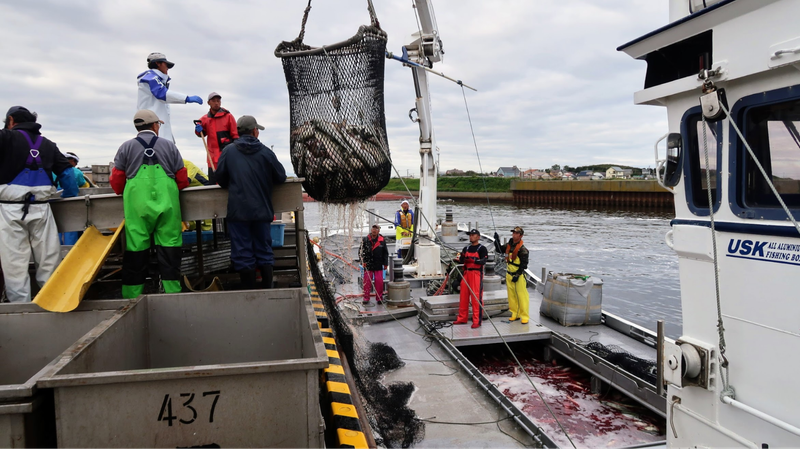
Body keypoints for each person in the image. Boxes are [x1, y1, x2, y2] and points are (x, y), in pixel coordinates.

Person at [0, 106, 77, 302]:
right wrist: (68, 196)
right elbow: (67, 174)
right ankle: (52, 303)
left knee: (15, 264)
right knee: (49, 260)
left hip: (9, 209)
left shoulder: (5, 137)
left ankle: (21, 309)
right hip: (43, 208)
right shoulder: (49, 145)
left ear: (11, 121)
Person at [110, 110, 189, 299]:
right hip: (168, 203)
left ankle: (131, 297)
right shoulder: (169, 146)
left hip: (137, 207)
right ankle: (172, 295)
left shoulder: (125, 147)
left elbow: (117, 181)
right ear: (155, 126)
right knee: (170, 248)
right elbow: (182, 178)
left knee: (136, 250)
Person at [215, 115, 287, 290]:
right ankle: (267, 290)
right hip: (262, 211)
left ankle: (248, 293)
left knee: (242, 253)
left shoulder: (228, 151)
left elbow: (221, 179)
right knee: (264, 250)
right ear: (255, 131)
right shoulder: (266, 152)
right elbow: (281, 177)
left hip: (238, 213)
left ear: (238, 133)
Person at [137, 52, 203, 143]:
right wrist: (186, 98)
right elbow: (162, 94)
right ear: (158, 63)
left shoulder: (157, 80)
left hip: (158, 125)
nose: (167, 68)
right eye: (166, 64)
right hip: (152, 125)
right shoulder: (150, 78)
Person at [194, 92, 238, 183]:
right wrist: (198, 130)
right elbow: (200, 134)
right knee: (213, 184)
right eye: (213, 101)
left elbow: (235, 136)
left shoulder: (228, 116)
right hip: (212, 158)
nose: (216, 103)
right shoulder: (204, 119)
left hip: (226, 157)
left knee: (229, 182)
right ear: (208, 103)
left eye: (218, 101)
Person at [453, 229, 489, 328]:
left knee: (476, 298)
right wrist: (459, 259)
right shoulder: (466, 248)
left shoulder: (482, 249)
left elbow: (483, 261)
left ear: (478, 237)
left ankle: (477, 320)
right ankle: (462, 318)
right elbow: (461, 259)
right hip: (466, 273)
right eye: (470, 235)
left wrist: (473, 260)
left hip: (476, 274)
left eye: (473, 235)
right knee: (463, 297)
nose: (471, 237)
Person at [501, 226, 530, 324]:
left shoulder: (523, 250)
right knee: (512, 296)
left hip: (519, 275)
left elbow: (524, 265)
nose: (514, 235)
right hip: (509, 274)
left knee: (521, 296)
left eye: (516, 233)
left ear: (521, 235)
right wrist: (496, 239)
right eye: (513, 233)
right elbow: (499, 249)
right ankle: (515, 314)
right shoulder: (509, 245)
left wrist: (517, 275)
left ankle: (524, 315)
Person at [360, 224, 388, 305]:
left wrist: (385, 264)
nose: (374, 230)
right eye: (373, 228)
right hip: (368, 265)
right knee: (366, 282)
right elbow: (361, 252)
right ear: (371, 230)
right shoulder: (365, 240)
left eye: (376, 229)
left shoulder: (382, 240)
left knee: (379, 282)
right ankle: (366, 298)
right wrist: (362, 262)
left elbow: (385, 253)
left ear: (378, 231)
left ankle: (379, 298)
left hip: (378, 264)